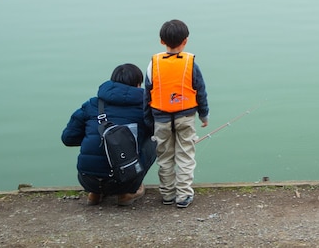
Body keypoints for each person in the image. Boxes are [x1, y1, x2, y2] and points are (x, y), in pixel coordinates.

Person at [62, 63, 156, 207]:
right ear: (138, 84)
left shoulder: (92, 105)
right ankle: (126, 194)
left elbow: (68, 138)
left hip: (87, 180)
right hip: (125, 181)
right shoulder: (144, 108)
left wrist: (95, 136)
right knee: (155, 140)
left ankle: (95, 193)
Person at [146, 19, 210, 209]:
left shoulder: (153, 65)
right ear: (186, 41)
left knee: (164, 157)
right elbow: (201, 92)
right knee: (185, 155)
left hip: (160, 118)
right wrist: (204, 115)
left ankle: (167, 194)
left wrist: (148, 120)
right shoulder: (191, 65)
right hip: (186, 117)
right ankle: (183, 195)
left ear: (161, 41)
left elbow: (146, 95)